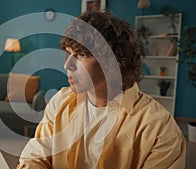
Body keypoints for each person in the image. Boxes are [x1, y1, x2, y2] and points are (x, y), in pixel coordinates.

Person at [17, 11, 186, 169]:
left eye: (81, 55)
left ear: (113, 62)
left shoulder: (159, 129)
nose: (67, 65)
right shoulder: (60, 101)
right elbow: (35, 156)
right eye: (68, 53)